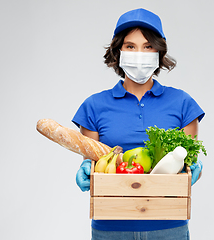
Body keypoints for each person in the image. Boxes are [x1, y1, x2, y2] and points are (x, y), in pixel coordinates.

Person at [73, 8, 205, 240]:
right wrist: (87, 168)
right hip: (110, 228)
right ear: (118, 51)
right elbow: (93, 159)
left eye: (147, 46)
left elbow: (189, 160)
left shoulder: (183, 104)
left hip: (168, 228)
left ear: (158, 52)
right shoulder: (94, 106)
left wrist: (194, 168)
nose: (139, 53)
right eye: (130, 46)